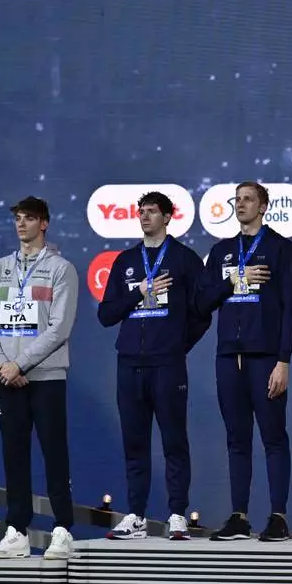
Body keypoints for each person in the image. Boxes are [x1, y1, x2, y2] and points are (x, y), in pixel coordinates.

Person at [98, 191, 211, 541]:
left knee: (174, 441)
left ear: (167, 217)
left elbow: (202, 313)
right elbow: (106, 314)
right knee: (135, 443)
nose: (145, 217)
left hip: (167, 365)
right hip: (129, 363)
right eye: (141, 211)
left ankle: (177, 513)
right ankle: (136, 515)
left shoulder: (185, 260)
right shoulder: (126, 260)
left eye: (151, 212)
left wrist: (176, 344)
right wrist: (140, 291)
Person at [196, 180, 292, 542]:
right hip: (228, 356)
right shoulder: (222, 251)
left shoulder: (281, 249)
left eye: (247, 199)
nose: (240, 205)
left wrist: (283, 360)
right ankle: (239, 515)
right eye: (236, 200)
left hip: (265, 357)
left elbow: (290, 311)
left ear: (264, 206)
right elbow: (202, 302)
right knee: (236, 439)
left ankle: (278, 516)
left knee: (273, 437)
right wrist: (232, 280)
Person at [0, 196, 79, 560]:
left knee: (54, 454)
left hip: (46, 377)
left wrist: (19, 363)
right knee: (14, 456)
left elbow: (59, 328)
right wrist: (3, 363)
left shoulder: (61, 269)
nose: (22, 224)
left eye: (29, 218)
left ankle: (62, 530)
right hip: (6, 378)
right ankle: (17, 531)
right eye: (18, 218)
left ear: (44, 223)